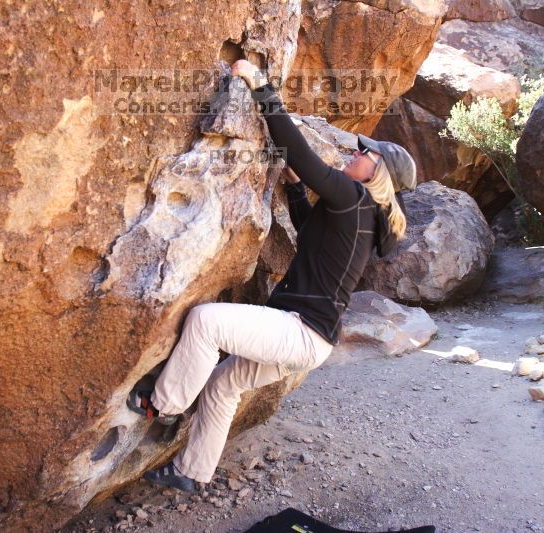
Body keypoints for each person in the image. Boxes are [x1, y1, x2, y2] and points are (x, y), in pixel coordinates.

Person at [127, 59, 417, 492]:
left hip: (299, 332)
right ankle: (191, 472)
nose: (356, 154)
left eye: (365, 153)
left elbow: (302, 154)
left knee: (206, 322)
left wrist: (261, 87)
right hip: (311, 340)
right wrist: (297, 188)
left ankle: (163, 404)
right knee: (224, 385)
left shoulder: (355, 197)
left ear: (378, 173)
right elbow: (309, 234)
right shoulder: (361, 216)